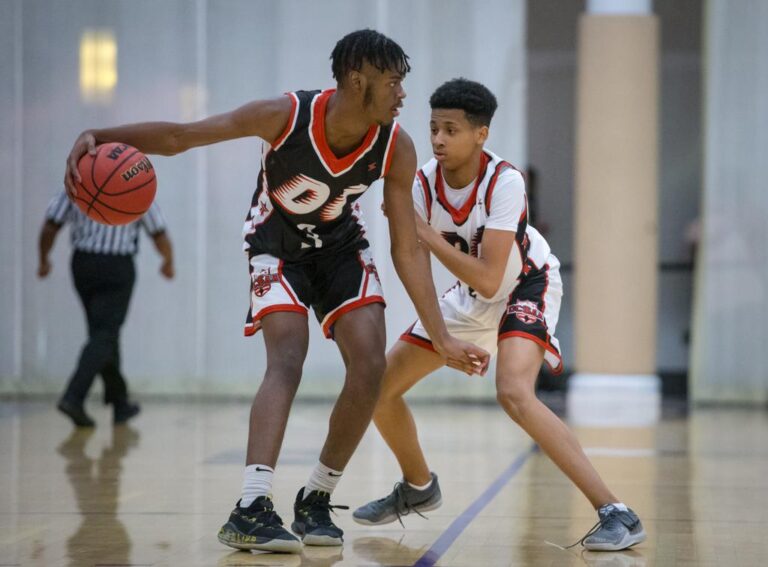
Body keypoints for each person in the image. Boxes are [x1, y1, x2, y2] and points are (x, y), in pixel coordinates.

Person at [63, 29, 489, 554]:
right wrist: (99, 133)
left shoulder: (395, 145)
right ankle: (251, 506)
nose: (403, 94)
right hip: (275, 246)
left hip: (339, 249)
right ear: (359, 81)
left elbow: (406, 249)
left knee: (370, 363)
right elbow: (182, 136)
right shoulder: (284, 116)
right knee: (287, 356)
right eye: (394, 82)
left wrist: (441, 336)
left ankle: (315, 497)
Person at [352, 78, 646, 552]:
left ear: (480, 134)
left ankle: (617, 512)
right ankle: (419, 484)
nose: (438, 140)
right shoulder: (423, 180)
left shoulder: (505, 181)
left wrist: (421, 230)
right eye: (433, 129)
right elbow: (414, 266)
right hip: (469, 295)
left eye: (450, 129)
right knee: (376, 390)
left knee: (513, 393)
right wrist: (439, 334)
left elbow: (491, 277)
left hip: (524, 285)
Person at [38, 189, 174, 427]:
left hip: (83, 264)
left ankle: (119, 402)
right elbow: (158, 231)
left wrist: (43, 259)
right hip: (117, 266)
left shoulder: (78, 179)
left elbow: (51, 224)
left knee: (102, 334)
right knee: (105, 334)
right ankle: (73, 397)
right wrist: (168, 261)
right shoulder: (136, 183)